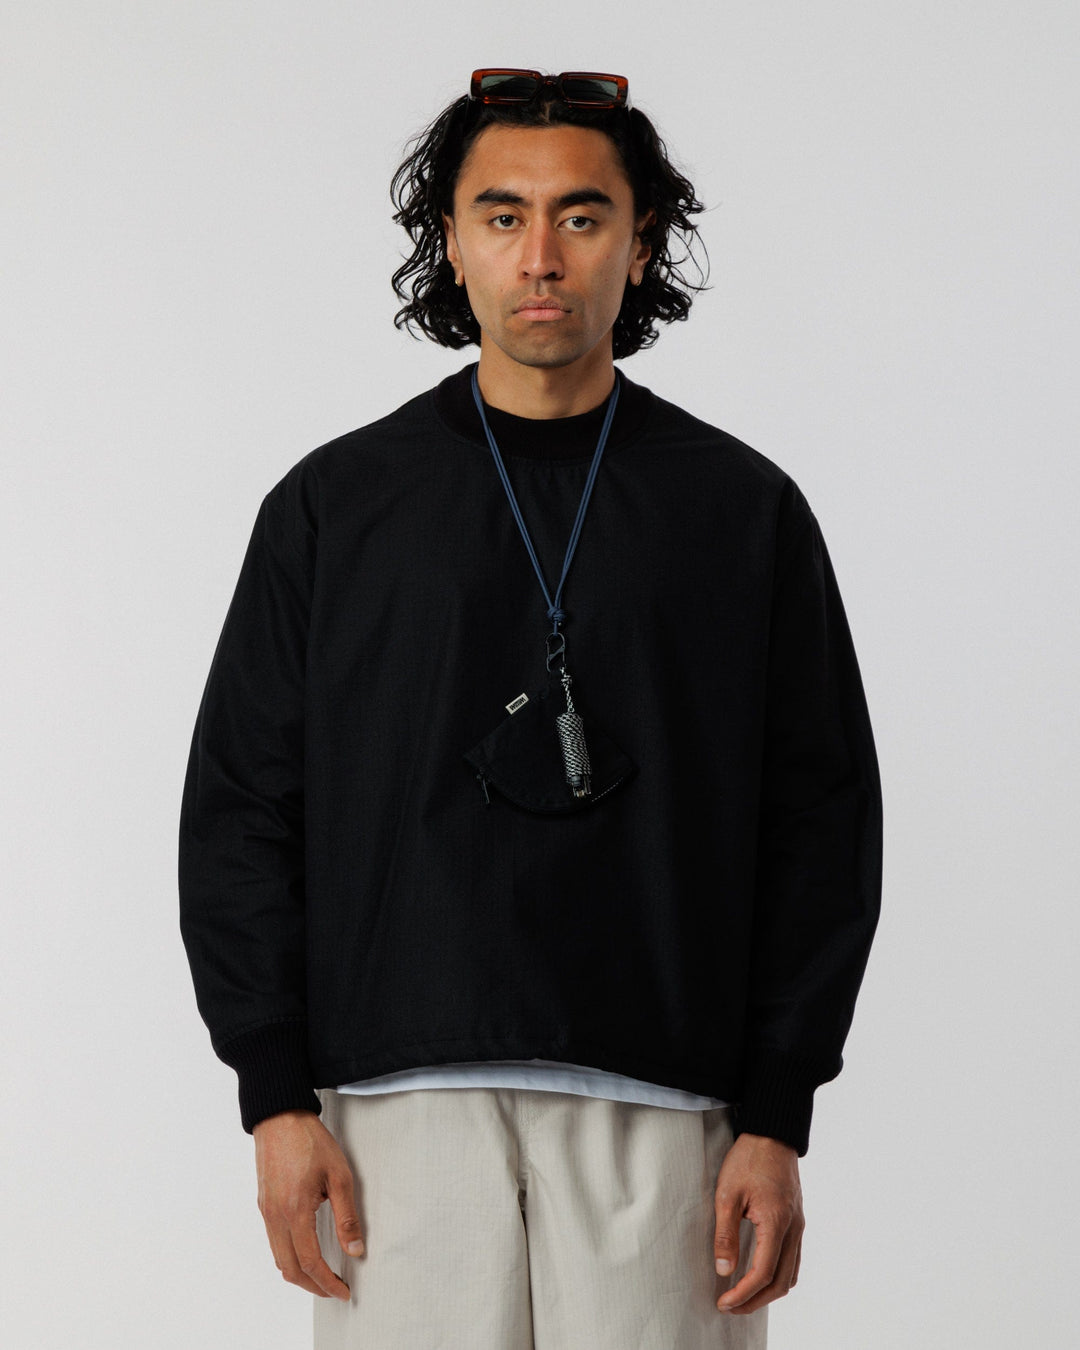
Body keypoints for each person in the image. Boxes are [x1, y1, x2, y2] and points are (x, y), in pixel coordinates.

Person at [178, 68, 883, 1349]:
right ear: (451, 242)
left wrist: (778, 1112)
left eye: (582, 215)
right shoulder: (336, 505)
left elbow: (821, 824)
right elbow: (242, 807)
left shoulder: (743, 512)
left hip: (665, 1103)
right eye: (502, 215)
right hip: (396, 1107)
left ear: (642, 241)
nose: (541, 255)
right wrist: (274, 1097)